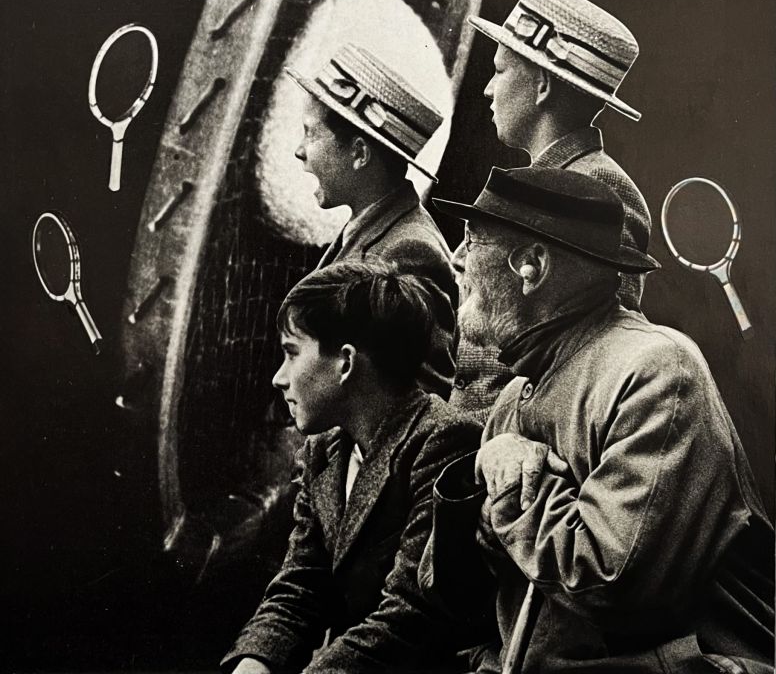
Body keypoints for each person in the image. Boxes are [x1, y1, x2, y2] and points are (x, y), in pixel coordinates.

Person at [423, 166, 774, 673]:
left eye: (472, 241)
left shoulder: (656, 369)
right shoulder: (515, 396)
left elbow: (609, 582)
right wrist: (477, 473)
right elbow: (453, 595)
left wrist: (508, 483)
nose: (456, 260)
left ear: (530, 265)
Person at [222, 260, 483, 674]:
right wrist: (253, 664)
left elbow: (411, 615)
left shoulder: (444, 443)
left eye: (292, 354)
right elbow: (301, 585)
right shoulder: (324, 449)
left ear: (346, 362)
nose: (279, 377)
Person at [452, 0, 653, 422]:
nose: (487, 90)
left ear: (542, 85)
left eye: (500, 71)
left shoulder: (600, 187)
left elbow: (590, 359)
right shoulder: (524, 185)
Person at [287, 43, 457, 399]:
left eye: (311, 133)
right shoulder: (369, 229)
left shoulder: (410, 252)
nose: (299, 150)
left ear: (360, 153)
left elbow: (425, 399)